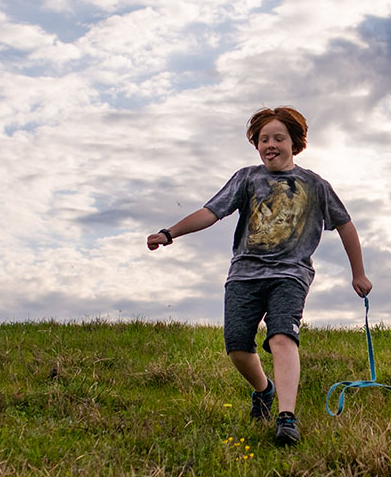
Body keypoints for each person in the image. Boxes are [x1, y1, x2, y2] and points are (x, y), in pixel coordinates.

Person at [147, 106, 372, 446]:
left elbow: (345, 225)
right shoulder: (246, 178)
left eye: (278, 138)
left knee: (282, 337)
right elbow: (211, 212)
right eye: (263, 139)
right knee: (237, 346)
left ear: (294, 143)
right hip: (244, 275)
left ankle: (287, 418)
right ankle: (264, 390)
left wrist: (359, 273)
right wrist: (170, 232)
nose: (270, 144)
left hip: (290, 274)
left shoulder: (315, 185)